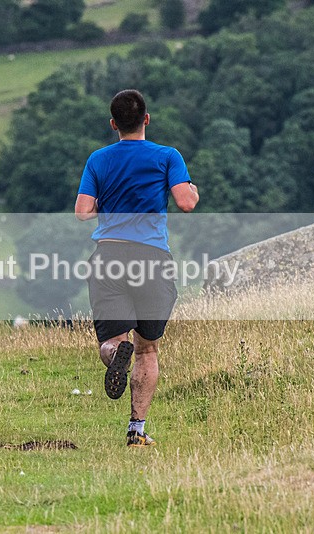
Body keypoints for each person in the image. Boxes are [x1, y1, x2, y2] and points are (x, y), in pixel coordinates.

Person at [74, 90, 199, 447]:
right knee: (148, 349)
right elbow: (186, 202)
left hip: (110, 255)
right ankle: (136, 431)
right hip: (152, 258)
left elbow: (83, 211)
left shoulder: (98, 160)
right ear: (146, 119)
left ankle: (116, 354)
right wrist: (191, 188)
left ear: (113, 124)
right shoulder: (167, 156)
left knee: (111, 341)